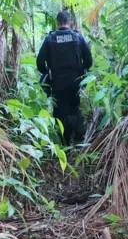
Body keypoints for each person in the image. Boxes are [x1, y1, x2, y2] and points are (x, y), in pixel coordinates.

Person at [37, 10, 92, 145]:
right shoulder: (78, 38)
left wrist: (47, 73)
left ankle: (63, 141)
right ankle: (78, 140)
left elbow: (39, 62)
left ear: (57, 23)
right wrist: (81, 71)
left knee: (59, 110)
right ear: (71, 23)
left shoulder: (50, 39)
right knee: (74, 108)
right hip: (75, 82)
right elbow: (89, 60)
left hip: (57, 82)